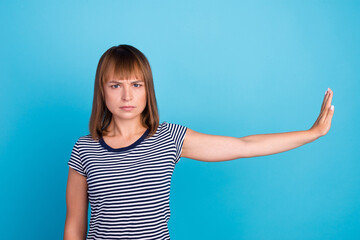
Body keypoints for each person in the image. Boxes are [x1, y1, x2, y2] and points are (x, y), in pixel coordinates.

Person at [63, 44, 335, 240]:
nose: (126, 96)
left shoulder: (168, 138)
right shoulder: (84, 149)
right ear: (102, 90)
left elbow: (245, 145)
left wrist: (312, 133)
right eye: (115, 85)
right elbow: (74, 227)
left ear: (148, 89)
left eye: (136, 85)